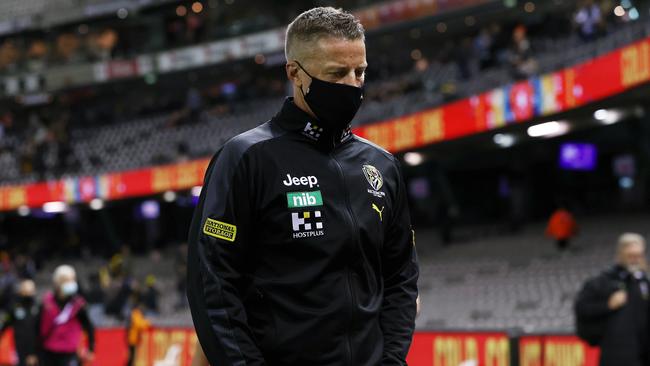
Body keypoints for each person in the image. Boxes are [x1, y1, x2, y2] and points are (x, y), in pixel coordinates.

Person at [186, 7, 419, 366]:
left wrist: (390, 360)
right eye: (336, 73)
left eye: (360, 72)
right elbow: (213, 283)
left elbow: (401, 276)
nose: (352, 85)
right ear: (295, 73)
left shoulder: (382, 166)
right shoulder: (246, 159)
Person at [574, 233, 649, 366]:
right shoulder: (604, 281)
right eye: (631, 256)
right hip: (615, 356)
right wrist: (607, 305)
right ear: (620, 254)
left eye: (638, 256)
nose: (635, 260)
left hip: (643, 354)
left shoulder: (644, 282)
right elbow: (581, 308)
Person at [38, 265, 95, 366]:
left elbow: (89, 326)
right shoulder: (47, 302)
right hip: (48, 351)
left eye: (72, 279)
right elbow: (38, 327)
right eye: (66, 280)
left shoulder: (78, 304)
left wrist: (91, 348)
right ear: (57, 282)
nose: (70, 283)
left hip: (70, 352)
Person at [0, 279, 39, 366]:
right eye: (25, 291)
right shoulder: (14, 307)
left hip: (33, 350)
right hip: (16, 349)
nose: (28, 293)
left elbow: (39, 331)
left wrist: (33, 353)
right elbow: (5, 324)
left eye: (30, 291)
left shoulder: (37, 308)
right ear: (21, 291)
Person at [126, 294, 151, 366]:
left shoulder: (135, 313)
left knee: (133, 358)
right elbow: (139, 324)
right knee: (132, 358)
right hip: (132, 339)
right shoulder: (135, 313)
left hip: (134, 338)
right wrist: (148, 322)